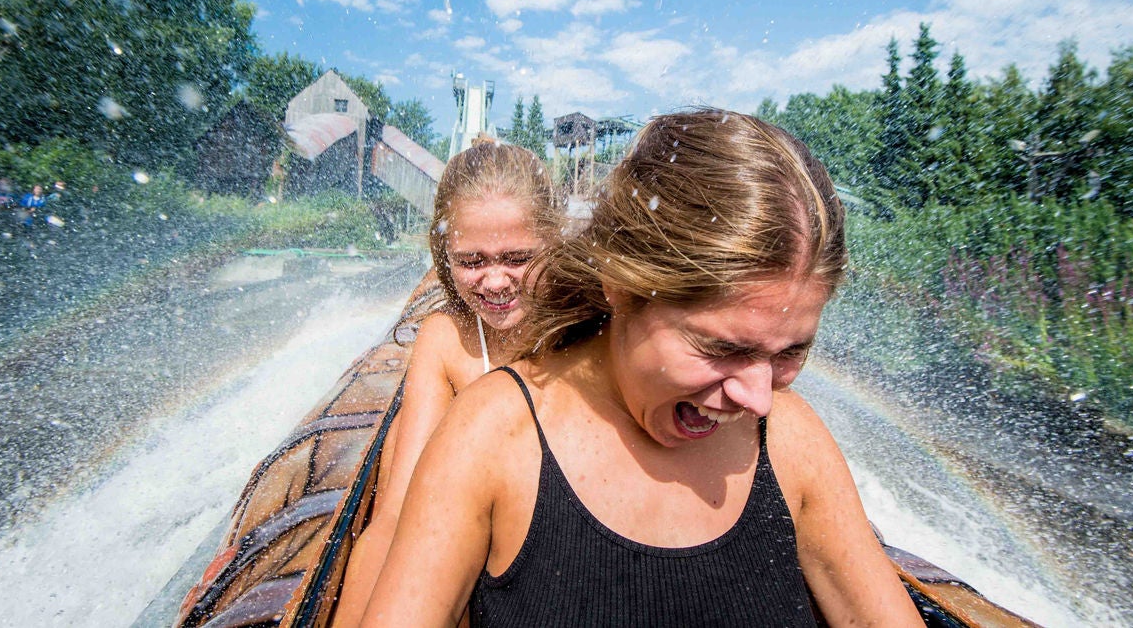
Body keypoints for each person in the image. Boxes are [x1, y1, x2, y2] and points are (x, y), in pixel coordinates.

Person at [359, 109, 922, 627]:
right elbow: (394, 527)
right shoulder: (489, 434)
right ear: (622, 288)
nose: (761, 398)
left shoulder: (794, 441)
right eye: (722, 348)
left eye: (791, 352)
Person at [333, 140, 562, 626]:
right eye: (472, 261)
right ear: (444, 253)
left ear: (555, 243)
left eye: (517, 257)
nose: (496, 282)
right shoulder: (445, 339)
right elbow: (397, 515)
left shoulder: (586, 325)